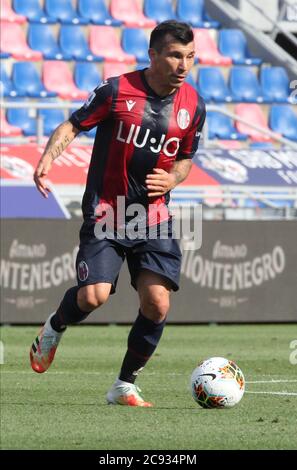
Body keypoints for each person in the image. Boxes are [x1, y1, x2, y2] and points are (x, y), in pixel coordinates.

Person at [30, 20, 206, 407]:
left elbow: (187, 159)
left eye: (190, 57)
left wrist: (173, 179)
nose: (184, 65)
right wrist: (46, 159)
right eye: (176, 55)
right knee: (93, 297)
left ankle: (124, 384)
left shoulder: (193, 104)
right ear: (153, 54)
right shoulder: (116, 91)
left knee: (157, 302)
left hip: (153, 216)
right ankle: (55, 326)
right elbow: (73, 126)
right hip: (108, 212)